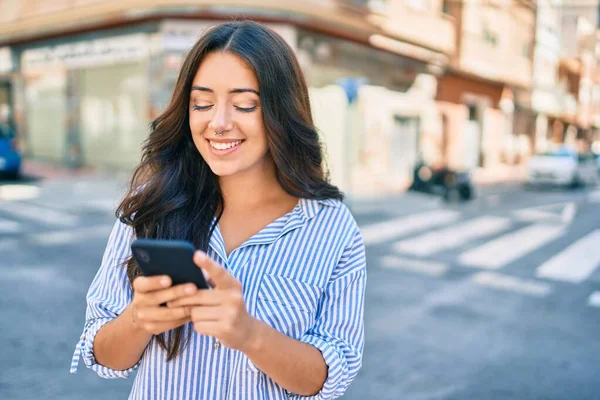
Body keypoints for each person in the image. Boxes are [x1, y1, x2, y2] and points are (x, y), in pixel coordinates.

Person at [71, 20, 366, 400]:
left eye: (244, 105)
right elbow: (102, 354)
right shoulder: (154, 203)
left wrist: (248, 333)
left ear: (281, 113)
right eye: (203, 103)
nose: (219, 123)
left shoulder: (330, 227)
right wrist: (140, 318)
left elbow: (327, 377)